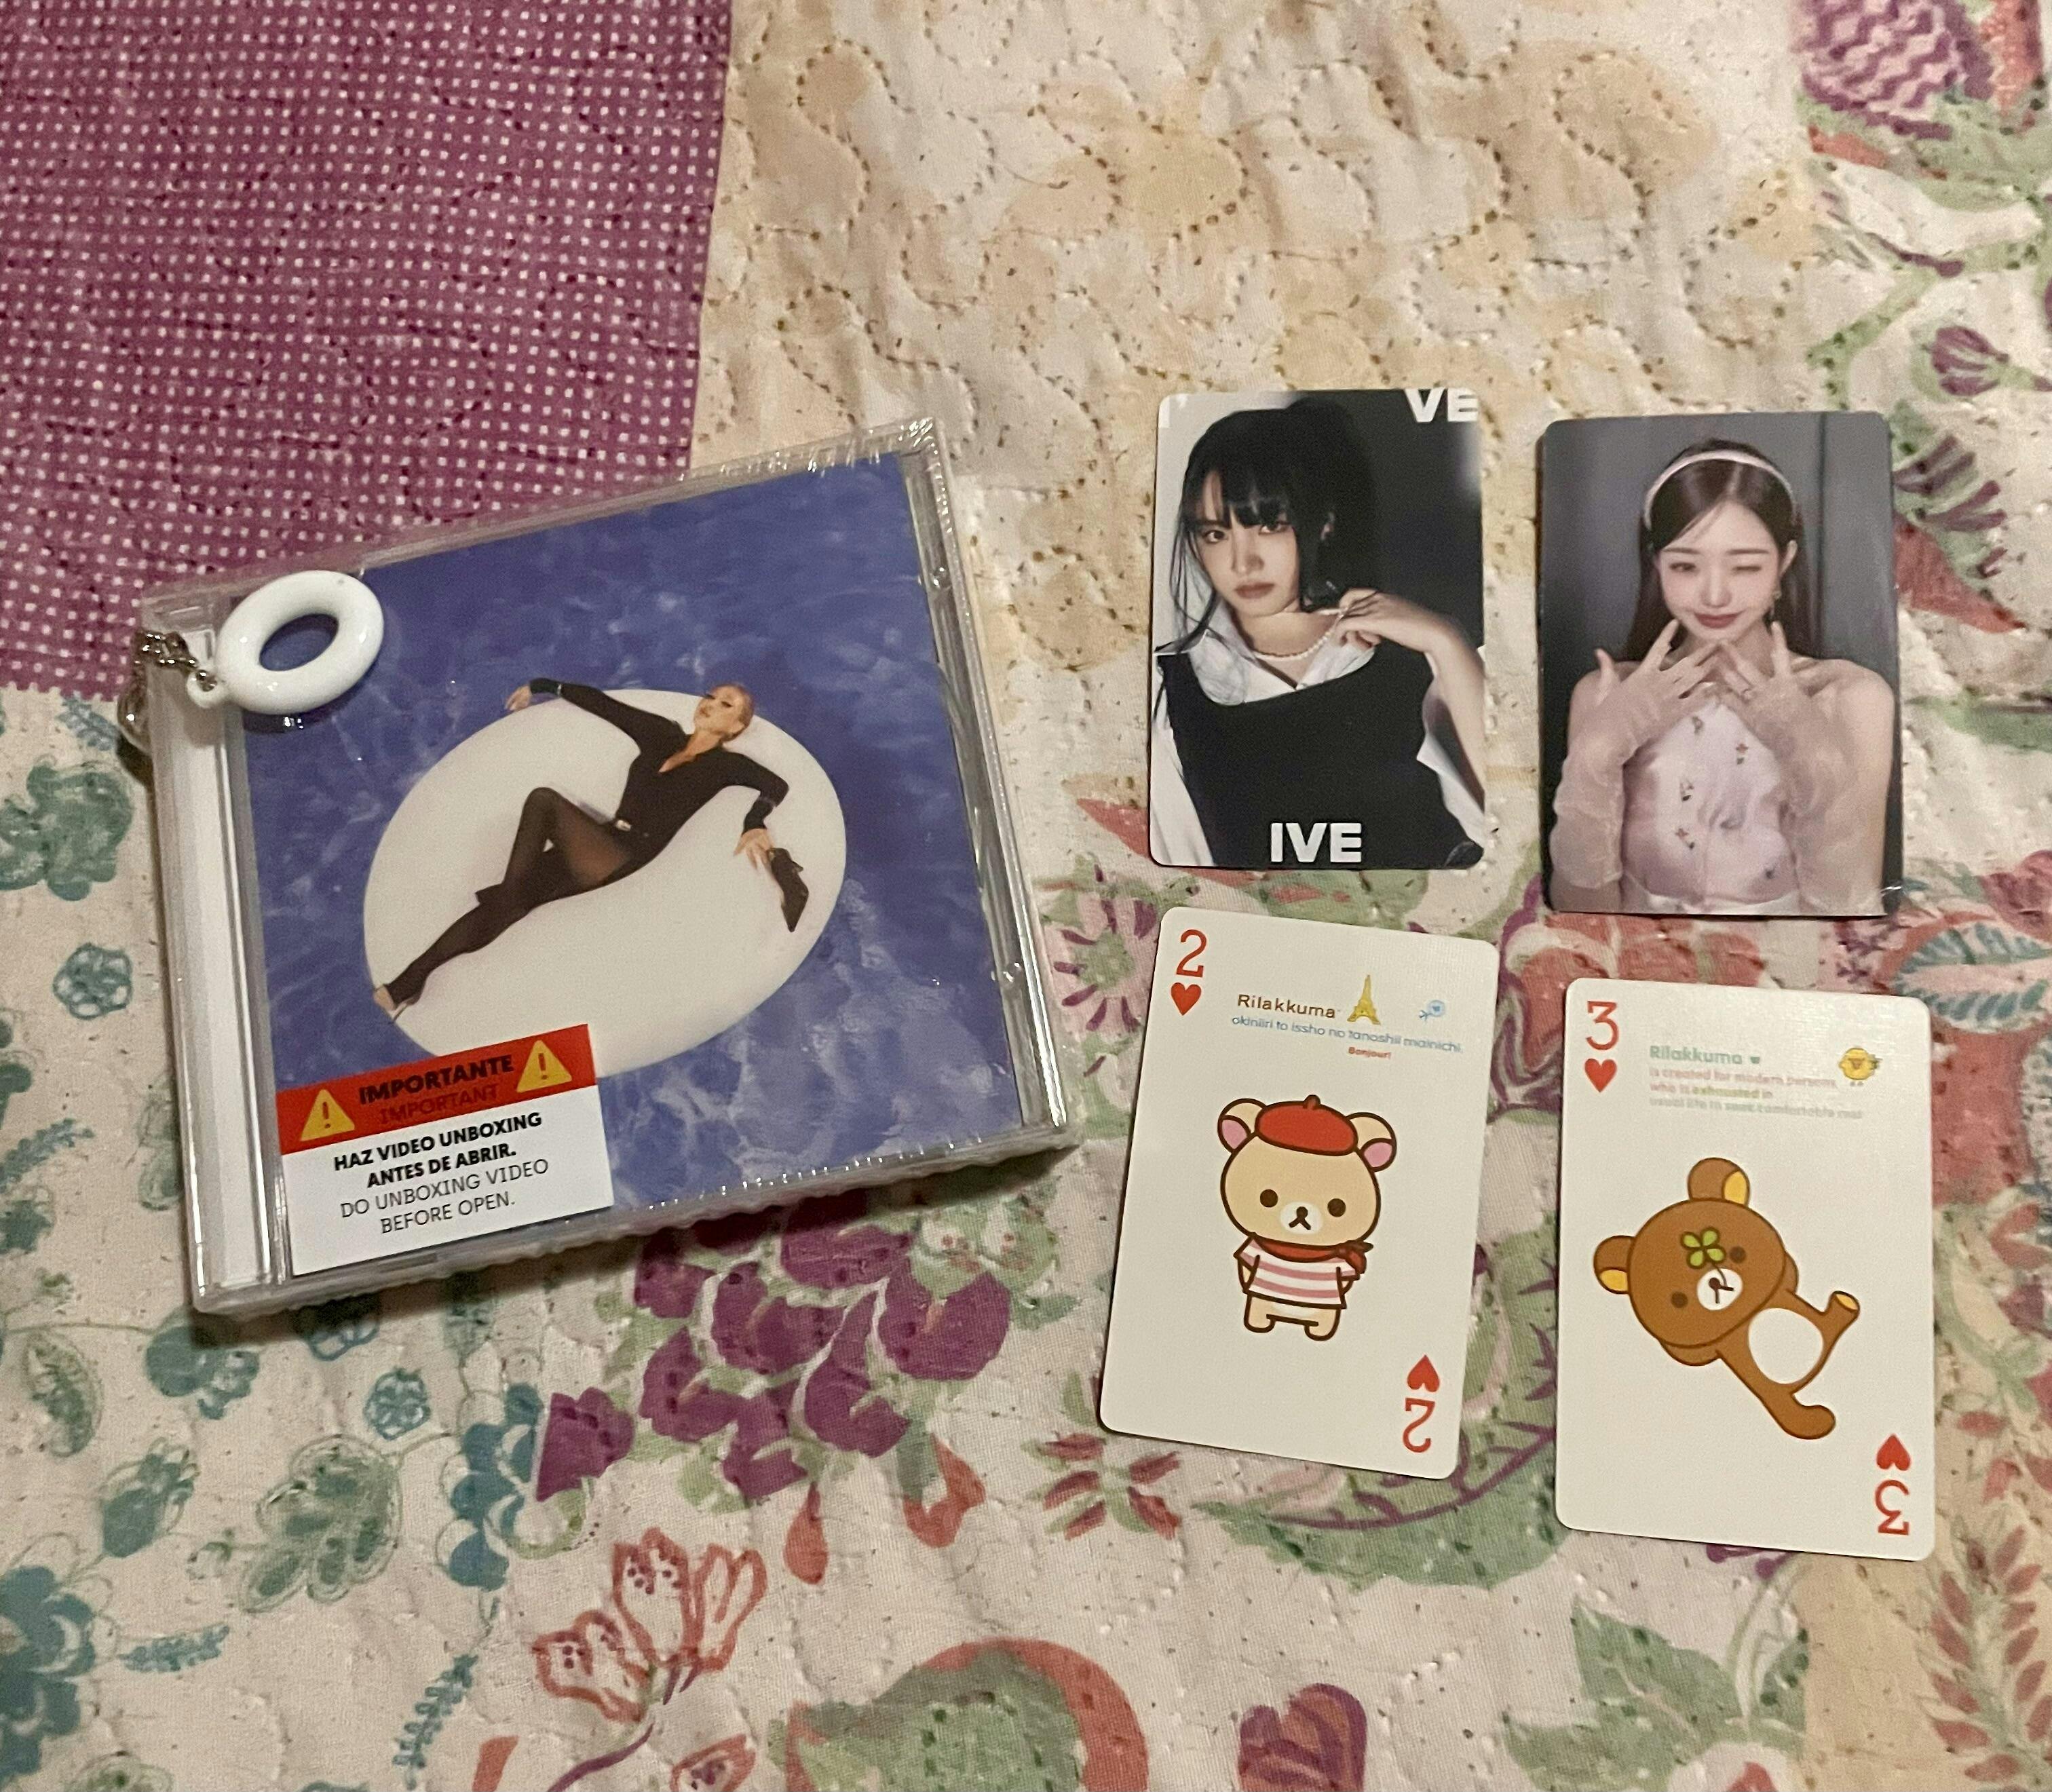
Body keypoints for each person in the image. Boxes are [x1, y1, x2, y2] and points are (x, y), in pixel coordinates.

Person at [1549, 439, 1895, 915]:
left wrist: (1812, 753)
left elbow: (1849, 916)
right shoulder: (1607, 695)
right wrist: (1598, 752)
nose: (1715, 595)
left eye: (1745, 566)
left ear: (1784, 562)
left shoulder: (1851, 696)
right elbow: (1579, 913)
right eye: (1686, 566)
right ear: (1657, 563)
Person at [1149, 402, 1487, 870]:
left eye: (1269, 526)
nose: (1243, 563)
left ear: (1324, 523)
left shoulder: (1415, 655)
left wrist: (1447, 640)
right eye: (1216, 535)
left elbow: (1501, 830)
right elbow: (1182, 873)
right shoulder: (1169, 690)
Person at [373, 680, 808, 1016]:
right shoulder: (661, 734)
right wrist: (543, 685)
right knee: (507, 907)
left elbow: (776, 786)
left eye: (726, 705)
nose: (710, 704)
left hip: (625, 854)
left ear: (736, 727)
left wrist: (754, 822)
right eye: (710, 696)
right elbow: (605, 705)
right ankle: (406, 984)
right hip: (601, 838)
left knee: (543, 802)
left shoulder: (727, 766)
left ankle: (503, 901)